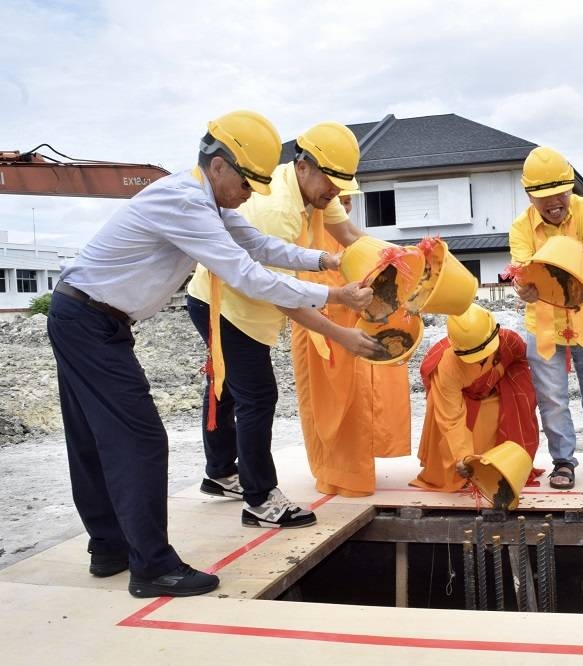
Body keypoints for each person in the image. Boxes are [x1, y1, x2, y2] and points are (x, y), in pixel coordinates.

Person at [46, 110, 372, 598]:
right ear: (218, 165)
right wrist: (334, 295)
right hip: (87, 320)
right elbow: (245, 274)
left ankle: (109, 547)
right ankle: (153, 566)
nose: (251, 194)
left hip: (91, 318)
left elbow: (260, 245)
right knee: (141, 439)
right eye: (247, 183)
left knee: (94, 440)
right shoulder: (185, 202)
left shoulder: (209, 204)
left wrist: (329, 259)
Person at [187, 121, 383, 525]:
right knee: (258, 396)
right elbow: (279, 292)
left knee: (226, 385)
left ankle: (221, 471)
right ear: (304, 165)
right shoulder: (274, 209)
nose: (337, 192)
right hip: (225, 305)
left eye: (344, 183)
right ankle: (260, 500)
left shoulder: (317, 190)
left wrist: (395, 260)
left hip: (246, 296)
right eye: (332, 180)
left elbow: (346, 233)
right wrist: (339, 331)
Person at [508, 146, 583, 489]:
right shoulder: (520, 228)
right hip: (544, 322)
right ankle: (563, 461)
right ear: (529, 195)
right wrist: (523, 289)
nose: (555, 201)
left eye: (561, 193)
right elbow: (521, 273)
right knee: (552, 398)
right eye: (544, 196)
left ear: (571, 187)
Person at [289, 187, 412, 498]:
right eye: (339, 202)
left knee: (359, 402)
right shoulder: (304, 232)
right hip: (322, 328)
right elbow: (302, 291)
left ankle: (356, 467)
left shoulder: (344, 234)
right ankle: (336, 473)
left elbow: (369, 259)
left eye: (348, 202)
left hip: (352, 325)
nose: (345, 208)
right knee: (330, 402)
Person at [411, 304, 542, 492]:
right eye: (475, 356)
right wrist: (463, 458)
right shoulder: (446, 366)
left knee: (515, 400)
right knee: (455, 457)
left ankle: (507, 464)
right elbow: (451, 418)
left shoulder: (509, 341)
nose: (482, 359)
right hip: (458, 404)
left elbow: (521, 364)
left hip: (492, 395)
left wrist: (511, 389)